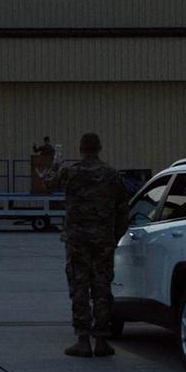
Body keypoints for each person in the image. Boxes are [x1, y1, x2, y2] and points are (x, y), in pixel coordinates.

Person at [42, 133, 130, 358]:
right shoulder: (112, 175)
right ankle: (101, 340)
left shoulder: (71, 172)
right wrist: (114, 235)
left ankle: (82, 339)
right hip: (103, 242)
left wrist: (55, 164)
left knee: (79, 286)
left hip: (77, 241)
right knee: (102, 287)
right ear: (99, 148)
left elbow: (47, 184)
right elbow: (123, 209)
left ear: (81, 149)